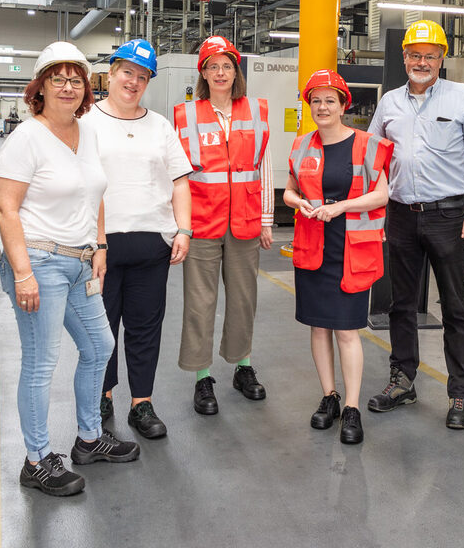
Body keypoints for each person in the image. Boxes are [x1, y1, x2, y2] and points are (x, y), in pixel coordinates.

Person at [0, 41, 140, 498]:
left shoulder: (87, 133)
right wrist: (22, 273)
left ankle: (89, 439)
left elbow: (94, 192)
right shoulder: (27, 138)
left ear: (85, 88)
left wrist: (99, 244)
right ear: (40, 87)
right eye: (57, 78)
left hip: (79, 263)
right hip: (38, 260)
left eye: (75, 78)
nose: (67, 86)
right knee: (41, 364)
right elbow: (4, 208)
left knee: (100, 345)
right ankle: (36, 460)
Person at [366, 20, 464, 430]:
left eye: (430, 56)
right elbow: (371, 155)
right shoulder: (389, 102)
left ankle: (460, 393)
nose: (422, 62)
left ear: (442, 59)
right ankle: (402, 379)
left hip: (448, 215)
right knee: (401, 304)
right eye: (415, 55)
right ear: (404, 57)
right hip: (401, 215)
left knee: (454, 307)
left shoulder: (462, 96)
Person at [80, 39, 192, 440]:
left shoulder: (160, 126)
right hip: (99, 247)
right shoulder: (86, 121)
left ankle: (141, 403)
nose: (134, 81)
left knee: (145, 327)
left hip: (151, 245)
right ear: (110, 74)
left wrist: (184, 229)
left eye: (142, 76)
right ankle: (103, 394)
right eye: (127, 72)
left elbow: (180, 182)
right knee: (102, 326)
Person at [284, 70, 392, 444]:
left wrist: (340, 207)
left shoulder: (368, 144)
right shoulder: (301, 146)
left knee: (347, 331)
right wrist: (297, 201)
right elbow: (290, 191)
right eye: (316, 100)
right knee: (318, 327)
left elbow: (381, 195)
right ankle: (328, 396)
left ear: (344, 105)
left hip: (350, 250)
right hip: (314, 246)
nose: (322, 107)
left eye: (330, 100)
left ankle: (352, 407)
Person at [173, 35, 274, 415]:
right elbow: (178, 176)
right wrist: (180, 226)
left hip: (246, 221)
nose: (220, 72)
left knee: (244, 300)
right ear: (203, 72)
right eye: (212, 66)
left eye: (226, 66)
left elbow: (262, 166)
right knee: (200, 303)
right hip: (201, 223)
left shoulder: (258, 111)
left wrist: (267, 219)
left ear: (236, 71)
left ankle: (242, 367)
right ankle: (202, 378)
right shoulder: (184, 114)